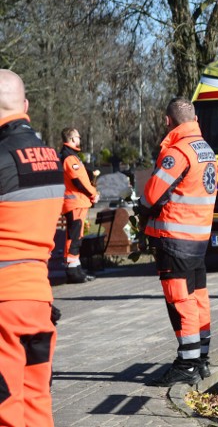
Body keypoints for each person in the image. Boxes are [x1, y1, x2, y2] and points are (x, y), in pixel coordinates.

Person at [0, 70, 64, 426]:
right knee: (36, 401)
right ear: (24, 106)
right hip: (39, 300)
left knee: (6, 408)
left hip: (3, 303)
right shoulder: (52, 159)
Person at [140, 97, 217, 387]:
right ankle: (202, 359)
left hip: (175, 239)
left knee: (180, 302)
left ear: (167, 121)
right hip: (198, 237)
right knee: (198, 299)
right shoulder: (205, 149)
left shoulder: (178, 152)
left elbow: (151, 195)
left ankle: (186, 363)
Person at [59, 127, 100, 283]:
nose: (80, 139)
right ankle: (72, 269)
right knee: (74, 237)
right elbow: (78, 181)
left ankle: (76, 268)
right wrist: (93, 193)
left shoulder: (73, 156)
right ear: (71, 139)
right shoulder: (69, 158)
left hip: (79, 202)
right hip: (74, 202)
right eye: (78, 136)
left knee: (77, 236)